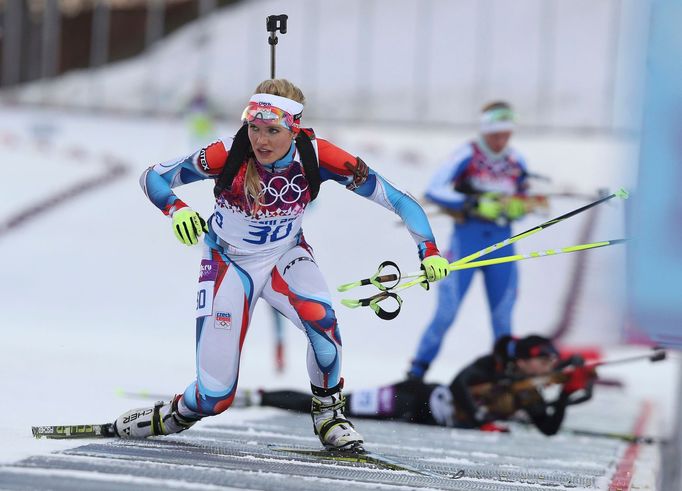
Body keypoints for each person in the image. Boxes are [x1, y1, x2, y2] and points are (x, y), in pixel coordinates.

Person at [113, 79, 450, 451]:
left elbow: (401, 201)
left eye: (272, 130)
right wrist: (176, 209)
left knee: (324, 327)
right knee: (216, 397)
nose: (261, 141)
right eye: (254, 129)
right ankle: (175, 415)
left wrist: (429, 251)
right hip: (228, 262)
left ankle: (329, 414)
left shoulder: (319, 156)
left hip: (284, 256)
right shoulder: (228, 153)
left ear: (294, 128)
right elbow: (152, 177)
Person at [245, 335, 595, 436]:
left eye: (551, 361)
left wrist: (564, 394)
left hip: (420, 418)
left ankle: (262, 396)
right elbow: (461, 384)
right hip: (412, 397)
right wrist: (478, 422)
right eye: (544, 359)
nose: (548, 365)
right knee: (337, 406)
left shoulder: (530, 392)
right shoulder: (493, 365)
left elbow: (548, 427)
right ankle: (259, 396)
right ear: (525, 359)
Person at [407, 101, 532, 380]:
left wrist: (519, 207)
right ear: (486, 131)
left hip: (502, 243)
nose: (501, 141)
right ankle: (416, 373)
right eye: (496, 135)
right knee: (446, 314)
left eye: (506, 135)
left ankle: (506, 379)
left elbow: (525, 197)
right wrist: (473, 203)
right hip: (468, 242)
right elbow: (435, 189)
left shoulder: (516, 160)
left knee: (503, 318)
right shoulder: (467, 154)